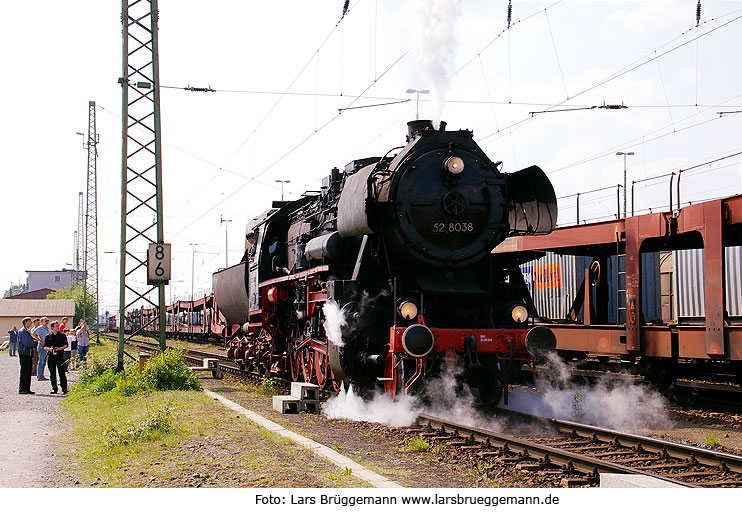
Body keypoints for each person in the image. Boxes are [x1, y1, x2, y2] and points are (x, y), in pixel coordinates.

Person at [44, 321, 68, 394]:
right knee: (52, 373)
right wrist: (50, 349)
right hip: (51, 356)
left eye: (58, 326)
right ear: (52, 328)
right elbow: (45, 347)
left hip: (60, 355)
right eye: (56, 326)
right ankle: (54, 388)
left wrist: (60, 348)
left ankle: (64, 388)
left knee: (62, 372)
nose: (58, 327)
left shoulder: (62, 335)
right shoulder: (48, 336)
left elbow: (66, 345)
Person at [17, 317, 36, 394]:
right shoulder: (22, 332)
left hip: (28, 353)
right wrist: (35, 343)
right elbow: (27, 342)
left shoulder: (27, 331)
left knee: (28, 371)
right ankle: (22, 389)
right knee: (24, 371)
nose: (31, 323)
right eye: (30, 321)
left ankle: (27, 388)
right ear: (25, 322)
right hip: (24, 353)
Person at [33, 317, 51, 381]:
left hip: (46, 346)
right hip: (42, 346)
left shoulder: (47, 328)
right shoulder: (40, 328)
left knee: (44, 362)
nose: (47, 322)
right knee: (41, 361)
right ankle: (39, 376)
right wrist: (39, 340)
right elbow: (33, 334)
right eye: (46, 321)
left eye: (48, 320)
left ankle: (42, 375)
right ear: (42, 322)